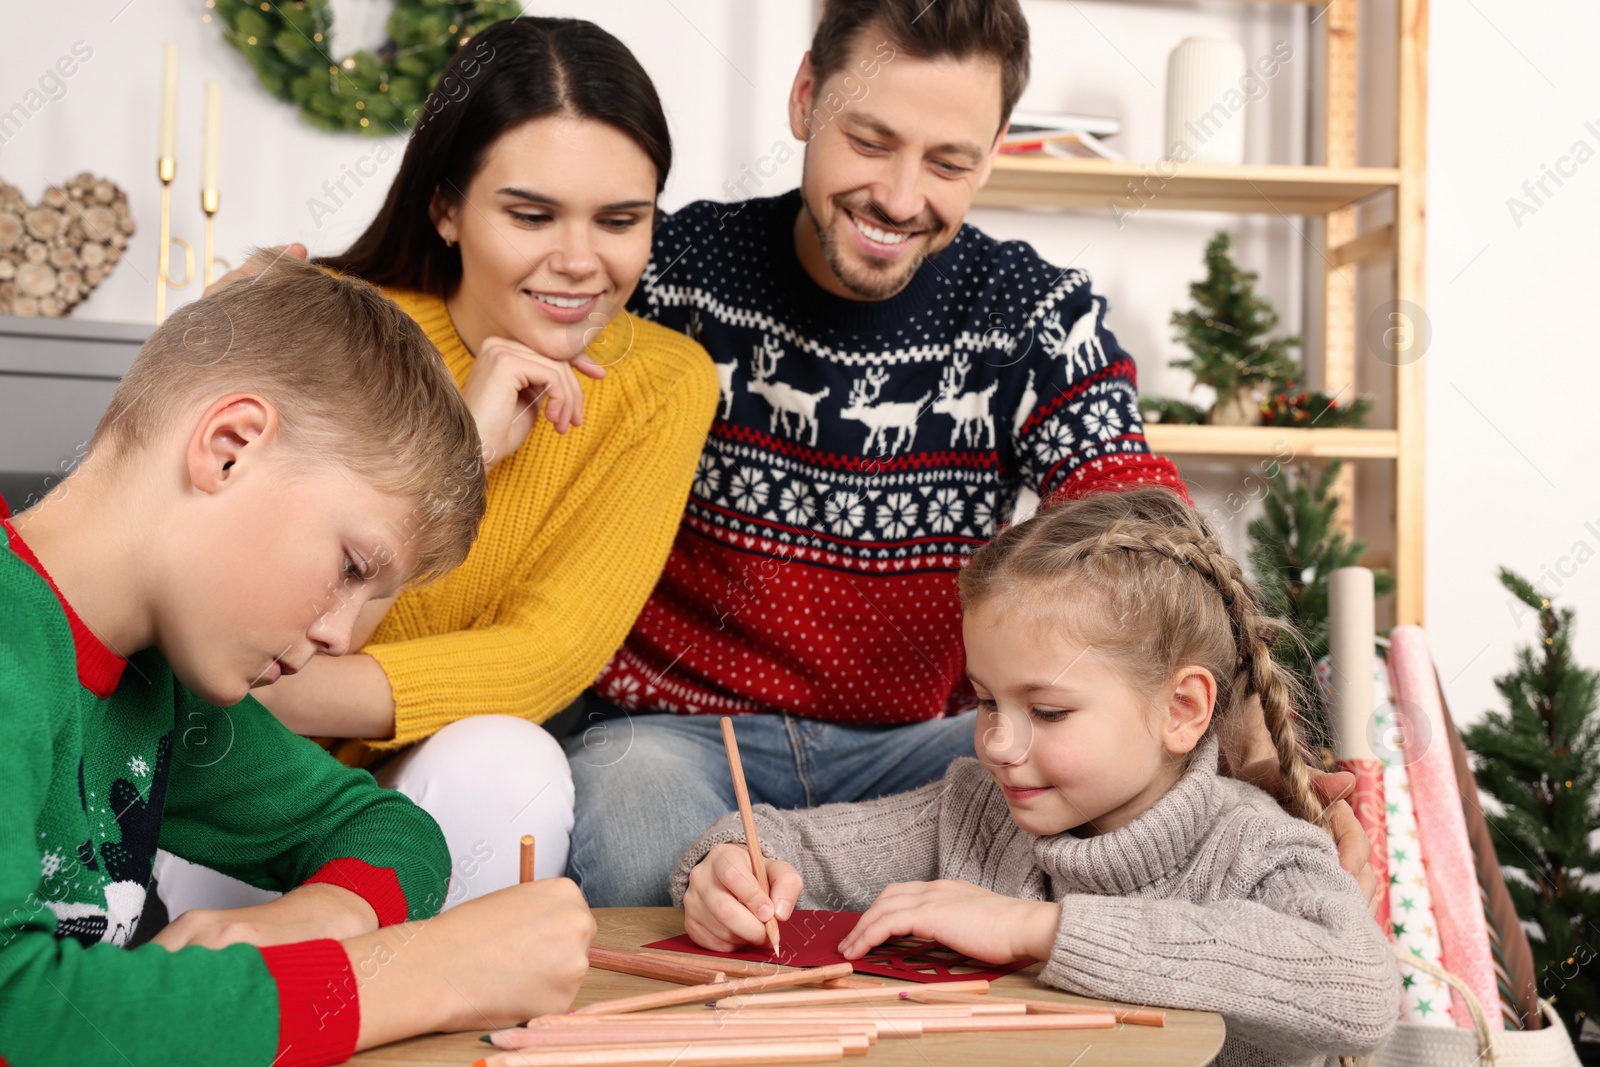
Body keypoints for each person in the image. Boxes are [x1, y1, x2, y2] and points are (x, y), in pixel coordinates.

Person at [569, 0, 1374, 911]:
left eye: (949, 162)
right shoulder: (671, 273)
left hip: (928, 744)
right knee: (625, 802)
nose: (901, 198)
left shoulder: (1033, 313)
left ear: (992, 153)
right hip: (678, 733)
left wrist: (1261, 758)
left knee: (1106, 776)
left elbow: (1160, 546)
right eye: (870, 142)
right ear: (805, 99)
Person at [162, 17, 720, 910]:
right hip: (233, 765)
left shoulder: (661, 386)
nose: (579, 263)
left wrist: (263, 695)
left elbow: (545, 658)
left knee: (512, 758)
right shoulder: (335, 328)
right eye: (531, 215)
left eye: (621, 220)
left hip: (389, 767)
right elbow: (220, 620)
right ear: (447, 206)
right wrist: (456, 451)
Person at [0, 257, 594, 1066]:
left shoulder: (154, 683)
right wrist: (424, 974)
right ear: (230, 448)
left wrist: (327, 912)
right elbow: (16, 1013)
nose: (343, 638)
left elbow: (386, 827)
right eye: (352, 565)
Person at [675, 487, 1400, 1067]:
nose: (996, 740)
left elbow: (1361, 988)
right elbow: (774, 837)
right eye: (987, 699)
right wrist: (729, 866)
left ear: (1181, 709)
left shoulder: (1257, 844)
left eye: (1048, 711)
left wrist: (1038, 928)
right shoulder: (972, 810)